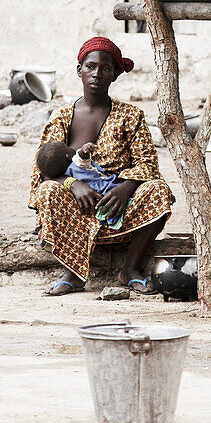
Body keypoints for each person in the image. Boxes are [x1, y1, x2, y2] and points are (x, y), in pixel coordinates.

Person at [29, 37, 173, 296]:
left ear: (115, 75)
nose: (97, 74)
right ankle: (72, 274)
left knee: (159, 191)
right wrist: (74, 185)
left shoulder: (131, 115)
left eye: (106, 69)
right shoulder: (62, 117)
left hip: (119, 206)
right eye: (90, 67)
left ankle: (129, 269)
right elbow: (44, 172)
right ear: (79, 71)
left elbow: (148, 163)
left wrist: (126, 188)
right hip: (78, 208)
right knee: (48, 192)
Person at [35, 141, 128, 229]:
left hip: (94, 199)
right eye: (68, 147)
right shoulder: (75, 163)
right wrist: (85, 149)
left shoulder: (64, 176)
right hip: (104, 187)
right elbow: (81, 156)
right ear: (68, 156)